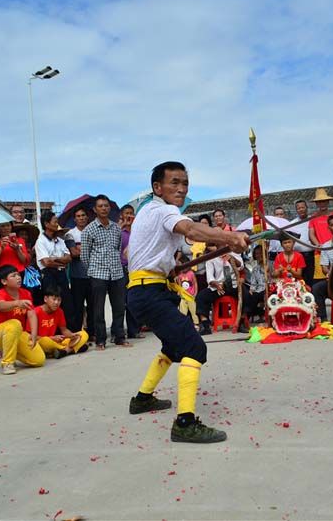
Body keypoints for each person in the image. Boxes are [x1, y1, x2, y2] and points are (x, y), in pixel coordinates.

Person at [126, 160, 248, 443]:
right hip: (149, 292)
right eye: (174, 183)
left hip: (147, 290)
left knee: (172, 346)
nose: (181, 189)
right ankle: (185, 423)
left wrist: (229, 243)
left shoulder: (149, 212)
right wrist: (231, 236)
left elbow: (187, 245)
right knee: (194, 346)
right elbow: (193, 231)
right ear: (158, 187)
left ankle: (142, 399)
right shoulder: (164, 210)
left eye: (185, 183)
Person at [81, 195, 129, 350]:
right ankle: (101, 340)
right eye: (100, 206)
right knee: (98, 309)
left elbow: (118, 249)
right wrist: (93, 270)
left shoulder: (116, 228)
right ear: (95, 209)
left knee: (119, 306)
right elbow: (84, 255)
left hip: (116, 272)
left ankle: (119, 337)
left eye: (106, 206)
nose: (104, 208)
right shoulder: (89, 230)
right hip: (98, 273)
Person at [0, 265, 44, 375]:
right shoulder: (0, 293)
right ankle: (7, 363)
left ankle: (11, 352)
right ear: (4, 281)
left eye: (18, 274)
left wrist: (33, 334)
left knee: (39, 360)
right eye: (13, 276)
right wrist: (17, 303)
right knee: (15, 323)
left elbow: (31, 314)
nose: (18, 277)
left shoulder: (26, 293)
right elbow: (0, 305)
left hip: (17, 332)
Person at [195, 244, 242, 335]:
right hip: (218, 287)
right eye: (221, 251)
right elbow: (210, 278)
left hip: (234, 285)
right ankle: (205, 325)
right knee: (201, 297)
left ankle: (242, 322)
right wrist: (216, 284)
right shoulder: (211, 259)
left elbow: (241, 266)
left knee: (246, 295)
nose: (223, 254)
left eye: (225, 251)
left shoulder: (233, 254)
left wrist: (232, 259)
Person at [35, 211, 73, 321]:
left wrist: (55, 258)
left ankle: (66, 329)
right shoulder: (41, 241)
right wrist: (62, 262)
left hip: (61, 274)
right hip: (49, 275)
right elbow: (46, 262)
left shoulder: (60, 241)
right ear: (47, 224)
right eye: (55, 222)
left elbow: (69, 258)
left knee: (66, 302)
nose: (57, 224)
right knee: (52, 304)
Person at [33, 285, 89, 359]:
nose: (56, 302)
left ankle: (61, 352)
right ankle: (69, 350)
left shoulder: (59, 311)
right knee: (45, 341)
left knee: (84, 334)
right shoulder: (36, 312)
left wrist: (72, 335)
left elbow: (64, 330)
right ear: (45, 299)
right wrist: (52, 338)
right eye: (54, 299)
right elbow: (30, 337)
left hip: (56, 342)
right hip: (42, 342)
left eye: (59, 300)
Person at [64, 206, 94, 336]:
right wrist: (90, 248)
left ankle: (92, 332)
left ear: (87, 217)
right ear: (74, 219)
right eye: (78, 216)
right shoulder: (70, 234)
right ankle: (77, 332)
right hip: (77, 276)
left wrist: (81, 247)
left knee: (94, 306)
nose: (81, 218)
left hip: (93, 274)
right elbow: (74, 253)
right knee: (78, 307)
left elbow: (100, 250)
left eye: (83, 215)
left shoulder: (94, 231)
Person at [119, 204, 142, 338]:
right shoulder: (119, 232)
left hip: (135, 269)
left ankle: (134, 330)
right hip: (122, 269)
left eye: (131, 213)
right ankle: (120, 331)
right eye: (126, 213)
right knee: (121, 301)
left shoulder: (137, 231)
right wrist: (122, 226)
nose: (129, 216)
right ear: (122, 215)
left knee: (133, 300)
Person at [308, 188, 333, 282]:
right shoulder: (313, 218)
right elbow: (311, 234)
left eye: (324, 201)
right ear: (316, 204)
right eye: (320, 202)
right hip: (320, 252)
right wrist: (317, 244)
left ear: (328, 202)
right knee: (322, 279)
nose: (322, 204)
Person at [242, 244, 269, 322]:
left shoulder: (270, 265)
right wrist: (251, 290)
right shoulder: (255, 269)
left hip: (268, 288)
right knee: (249, 297)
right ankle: (246, 317)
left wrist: (268, 272)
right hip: (258, 290)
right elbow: (253, 283)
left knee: (264, 294)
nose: (258, 255)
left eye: (260, 253)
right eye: (256, 253)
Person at [292, 199, 315, 287]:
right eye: (298, 208)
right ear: (296, 210)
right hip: (298, 256)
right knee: (300, 281)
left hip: (311, 255)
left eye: (303, 207)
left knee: (312, 279)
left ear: (307, 208)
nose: (301, 209)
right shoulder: (292, 224)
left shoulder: (312, 220)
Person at [175, 254, 199, 330]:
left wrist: (195, 293)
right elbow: (179, 285)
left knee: (193, 311)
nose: (183, 268)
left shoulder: (191, 273)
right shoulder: (180, 275)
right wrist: (179, 293)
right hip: (183, 297)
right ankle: (183, 325)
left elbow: (195, 283)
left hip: (191, 296)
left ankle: (196, 324)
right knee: (182, 312)